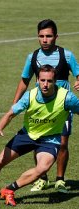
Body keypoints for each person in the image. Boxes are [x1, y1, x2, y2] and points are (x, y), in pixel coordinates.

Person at [0, 65, 79, 206]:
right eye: (42, 80)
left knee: (42, 168)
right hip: (27, 135)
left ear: (55, 82)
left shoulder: (67, 98)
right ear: (37, 80)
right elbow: (10, 114)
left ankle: (9, 189)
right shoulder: (30, 96)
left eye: (49, 81)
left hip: (50, 139)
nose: (45, 84)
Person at [13, 19, 79, 193]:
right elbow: (24, 81)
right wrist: (15, 104)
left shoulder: (67, 55)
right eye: (41, 36)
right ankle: (42, 179)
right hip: (39, 107)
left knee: (63, 142)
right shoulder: (32, 57)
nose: (45, 40)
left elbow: (78, 75)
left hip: (62, 108)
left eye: (48, 36)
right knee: (38, 141)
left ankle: (60, 180)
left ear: (56, 37)